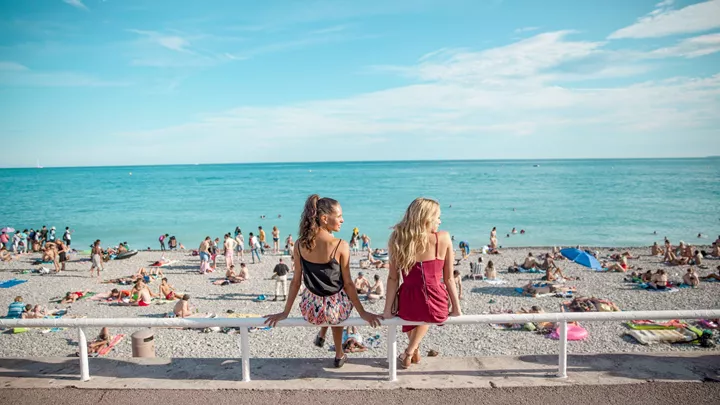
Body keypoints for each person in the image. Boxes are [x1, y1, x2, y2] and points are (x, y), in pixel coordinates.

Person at [264, 194, 381, 369]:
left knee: (328, 296)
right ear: (325, 218)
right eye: (339, 216)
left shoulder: (299, 244)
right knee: (337, 296)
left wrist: (285, 312)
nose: (342, 220)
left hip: (311, 310)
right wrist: (363, 313)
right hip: (335, 311)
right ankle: (339, 353)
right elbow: (349, 284)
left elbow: (296, 282)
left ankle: (323, 334)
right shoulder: (340, 245)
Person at [383, 197, 461, 370]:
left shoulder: (399, 238)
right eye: (438, 217)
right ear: (427, 218)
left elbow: (393, 279)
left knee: (415, 314)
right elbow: (448, 278)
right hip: (436, 299)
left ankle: (412, 351)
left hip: (408, 299)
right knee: (425, 313)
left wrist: (387, 309)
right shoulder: (443, 238)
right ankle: (410, 352)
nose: (440, 221)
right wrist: (456, 307)